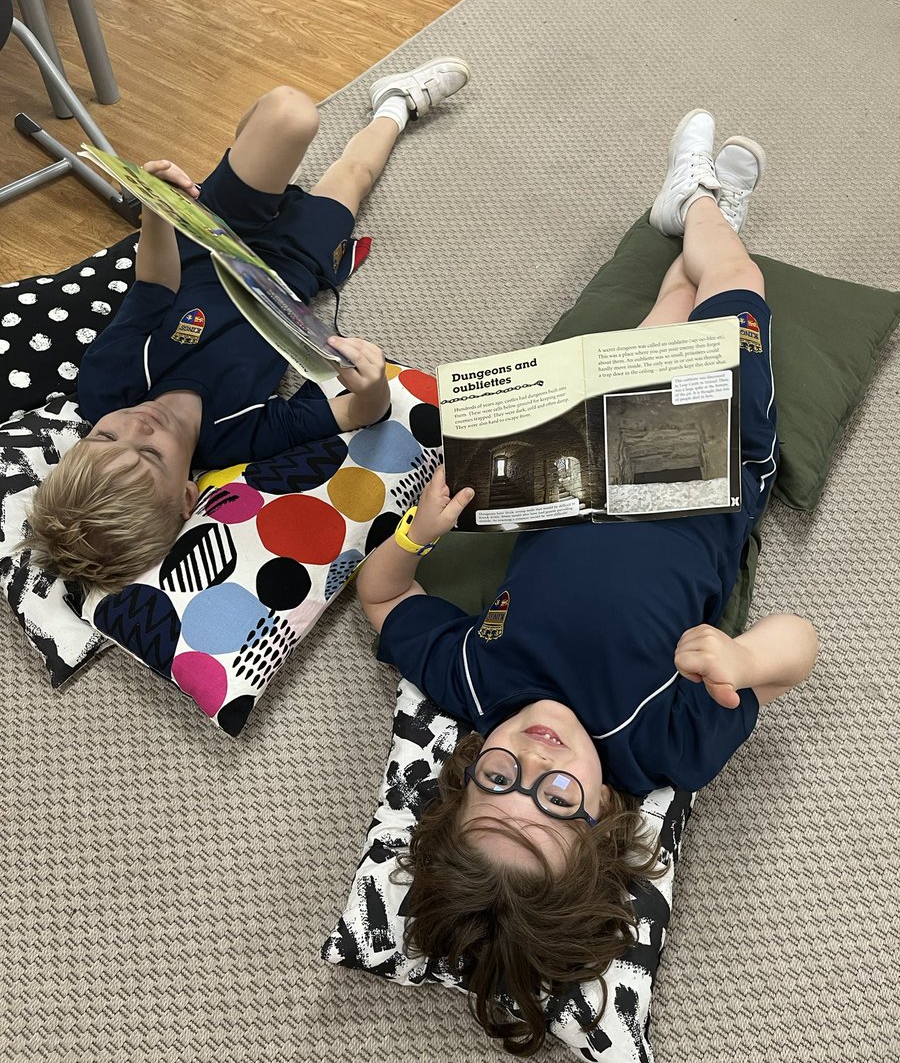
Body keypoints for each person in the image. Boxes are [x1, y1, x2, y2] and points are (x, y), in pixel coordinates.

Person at [356, 109, 818, 1055]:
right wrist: (740, 652)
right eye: (555, 800)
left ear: (464, 774)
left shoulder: (479, 689)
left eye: (498, 781)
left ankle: (686, 214)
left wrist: (418, 530)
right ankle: (697, 197)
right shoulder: (661, 746)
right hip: (710, 451)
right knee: (735, 281)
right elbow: (797, 653)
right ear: (603, 821)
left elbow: (380, 599)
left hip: (577, 455)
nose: (533, 757)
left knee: (659, 311)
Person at [23, 57, 471, 593]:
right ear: (189, 495)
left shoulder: (104, 384)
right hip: (288, 270)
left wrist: (156, 215)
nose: (137, 426)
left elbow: (153, 288)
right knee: (356, 175)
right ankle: (398, 103)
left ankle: (246, 155)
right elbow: (356, 413)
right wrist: (373, 384)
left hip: (208, 236)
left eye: (105, 436)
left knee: (292, 114)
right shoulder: (234, 436)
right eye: (148, 454)